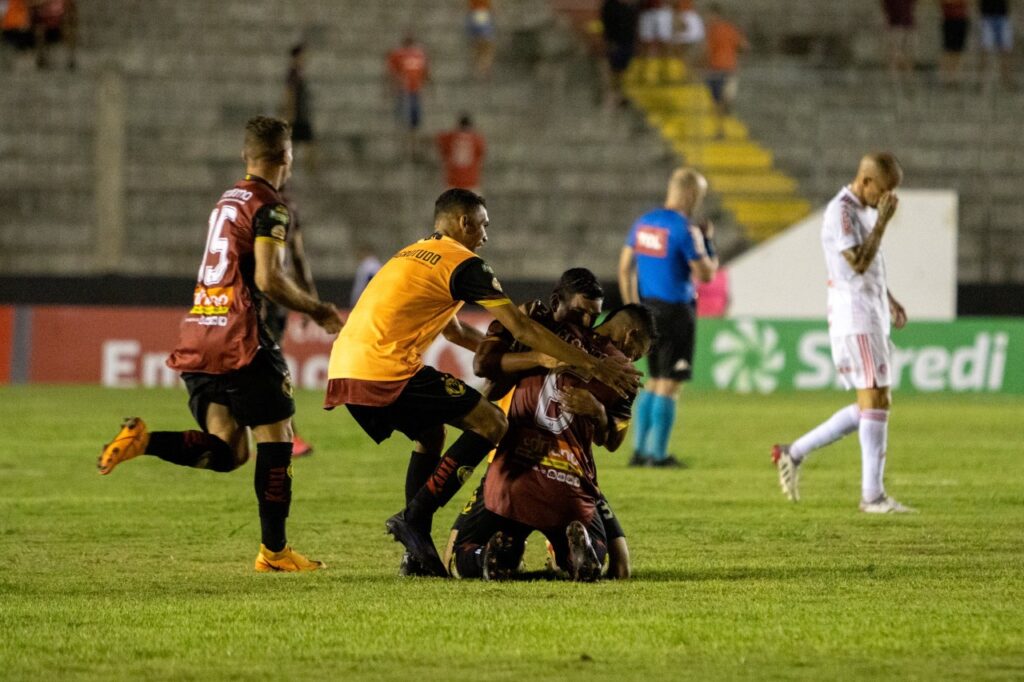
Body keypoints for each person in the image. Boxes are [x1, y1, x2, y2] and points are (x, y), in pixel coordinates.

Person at [324, 189, 640, 577]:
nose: (486, 236)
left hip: (344, 364)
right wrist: (590, 363)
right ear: (464, 223)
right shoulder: (465, 264)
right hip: (386, 367)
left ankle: (415, 550)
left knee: (430, 433)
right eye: (484, 225)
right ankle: (415, 516)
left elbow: (456, 333)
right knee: (492, 422)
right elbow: (520, 325)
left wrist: (518, 359)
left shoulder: (414, 254)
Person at [97, 116, 344, 572]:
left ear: (245, 156)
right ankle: (274, 553)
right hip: (239, 336)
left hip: (198, 331)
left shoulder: (226, 200)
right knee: (278, 437)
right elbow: (269, 277)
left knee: (228, 448)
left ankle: (144, 441)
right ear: (286, 159)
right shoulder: (270, 206)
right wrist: (317, 310)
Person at [444, 269, 632, 579]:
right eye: (580, 311)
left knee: (458, 555)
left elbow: (483, 364)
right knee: (614, 561)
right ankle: (572, 554)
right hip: (569, 471)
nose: (585, 321)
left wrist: (535, 357)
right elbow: (611, 441)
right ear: (557, 300)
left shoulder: (528, 322)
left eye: (593, 316)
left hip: (512, 464)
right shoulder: (599, 359)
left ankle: (488, 557)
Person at [772, 153, 914, 514]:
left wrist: (890, 298)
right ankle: (872, 496)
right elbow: (859, 262)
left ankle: (794, 451)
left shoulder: (861, 211)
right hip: (857, 317)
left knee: (875, 402)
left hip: (871, 312)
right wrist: (882, 223)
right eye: (885, 191)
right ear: (866, 181)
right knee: (876, 399)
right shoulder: (842, 212)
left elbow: (868, 270)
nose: (888, 200)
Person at [618, 167, 718, 468]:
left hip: (647, 310)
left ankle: (638, 452)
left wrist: (632, 309)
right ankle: (658, 455)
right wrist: (708, 241)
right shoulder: (685, 229)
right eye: (699, 195)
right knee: (670, 384)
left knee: (654, 381)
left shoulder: (644, 223)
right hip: (676, 312)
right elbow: (707, 274)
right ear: (690, 194)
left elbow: (624, 268)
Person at [263, 184, 319, 458]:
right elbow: (297, 257)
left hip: (271, 301)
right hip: (266, 299)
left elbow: (296, 255)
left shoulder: (255, 203)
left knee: (269, 367)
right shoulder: (284, 207)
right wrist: (311, 300)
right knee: (271, 368)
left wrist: (311, 302)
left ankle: (280, 435)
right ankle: (286, 436)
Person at [703, 4, 748, 139]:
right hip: (719, 70)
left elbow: (744, 46)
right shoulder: (721, 30)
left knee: (720, 101)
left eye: (710, 15)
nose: (707, 18)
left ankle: (720, 128)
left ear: (716, 15)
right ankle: (720, 128)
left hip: (724, 70)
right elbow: (744, 47)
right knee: (718, 102)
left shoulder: (722, 30)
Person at [387, 33, 430, 159]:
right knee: (404, 120)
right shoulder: (398, 54)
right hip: (403, 92)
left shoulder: (420, 54)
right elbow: (392, 72)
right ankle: (404, 148)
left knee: (415, 123)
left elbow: (426, 72)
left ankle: (413, 148)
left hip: (415, 91)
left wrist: (428, 88)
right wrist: (392, 88)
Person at [282, 44, 317, 175]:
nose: (305, 58)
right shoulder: (293, 73)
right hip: (297, 115)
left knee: (304, 144)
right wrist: (289, 113)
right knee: (299, 144)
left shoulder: (299, 72)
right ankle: (307, 171)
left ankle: (308, 170)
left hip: (301, 114)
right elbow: (289, 94)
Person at [600, 0, 640, 107]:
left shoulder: (630, 6)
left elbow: (632, 26)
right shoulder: (610, 5)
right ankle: (612, 95)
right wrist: (610, 41)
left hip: (627, 42)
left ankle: (619, 94)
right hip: (617, 42)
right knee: (613, 70)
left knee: (622, 71)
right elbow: (607, 24)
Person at [436, 113, 487, 192]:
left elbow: (439, 142)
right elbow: (481, 155)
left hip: (453, 182)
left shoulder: (449, 137)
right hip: (471, 182)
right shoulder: (477, 139)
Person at [979, 0, 1014, 87]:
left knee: (1006, 50)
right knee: (985, 49)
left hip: (1003, 16)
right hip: (986, 16)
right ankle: (983, 81)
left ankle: (1006, 80)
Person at [882, 0, 917, 78]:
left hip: (908, 25)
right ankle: (894, 79)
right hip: (895, 26)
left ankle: (908, 78)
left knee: (908, 55)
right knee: (895, 55)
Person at [939, 0, 970, 86]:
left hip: (961, 20)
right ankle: (947, 77)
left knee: (958, 50)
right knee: (948, 50)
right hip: (949, 20)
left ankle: (955, 77)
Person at [466, 0, 495, 79]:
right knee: (487, 46)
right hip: (482, 15)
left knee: (476, 45)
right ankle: (484, 69)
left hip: (473, 15)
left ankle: (477, 69)